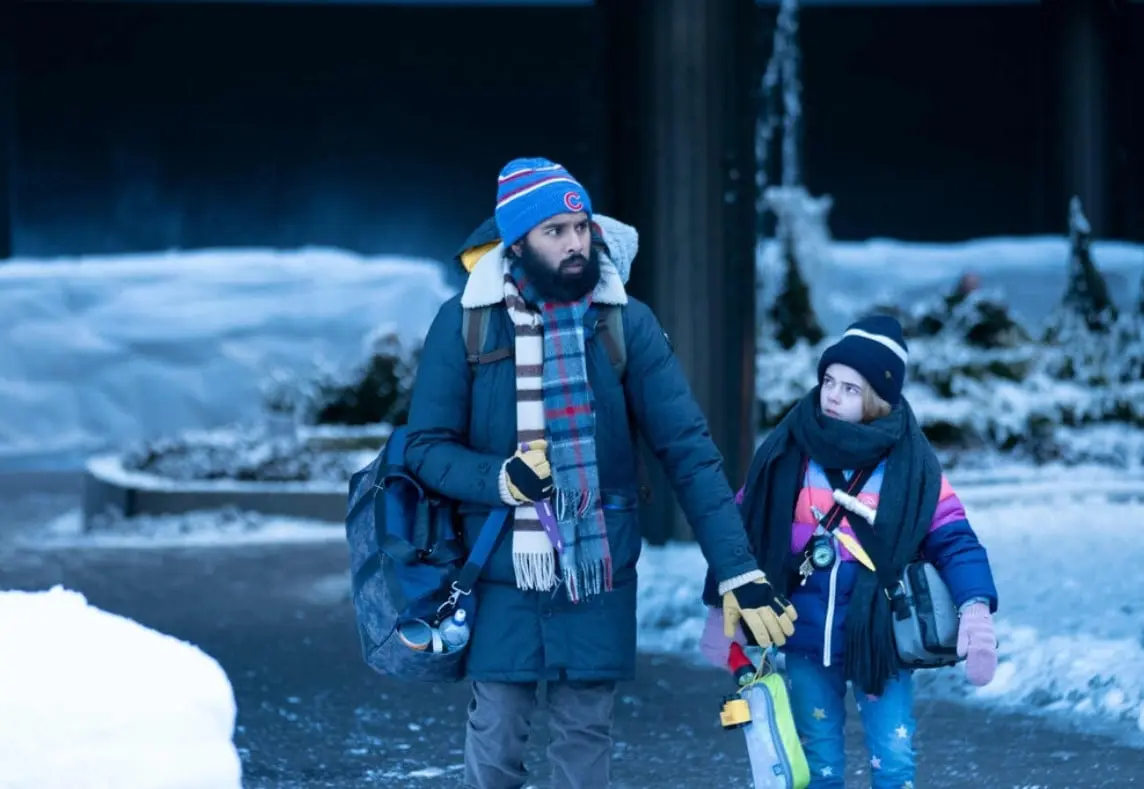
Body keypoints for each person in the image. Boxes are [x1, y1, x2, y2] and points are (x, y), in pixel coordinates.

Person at [403, 156, 795, 789]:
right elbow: (424, 448)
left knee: (585, 743)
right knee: (497, 737)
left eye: (580, 227)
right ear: (518, 241)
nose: (575, 243)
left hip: (598, 567)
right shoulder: (467, 323)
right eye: (554, 231)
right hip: (499, 565)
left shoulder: (624, 322)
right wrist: (498, 479)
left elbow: (689, 452)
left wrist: (738, 570)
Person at [699, 315, 999, 789]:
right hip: (803, 638)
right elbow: (742, 534)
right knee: (818, 767)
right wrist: (721, 610)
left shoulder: (913, 466)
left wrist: (976, 610)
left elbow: (954, 537)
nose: (833, 396)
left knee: (895, 762)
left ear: (878, 401)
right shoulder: (788, 453)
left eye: (851, 389)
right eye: (829, 382)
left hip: (881, 641)